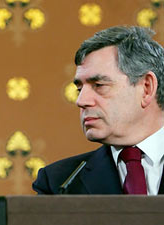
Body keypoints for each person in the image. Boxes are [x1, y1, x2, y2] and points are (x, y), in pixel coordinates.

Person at [33, 26, 164, 195]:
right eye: (79, 89)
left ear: (146, 88)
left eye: (99, 85)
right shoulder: (58, 183)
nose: (81, 101)